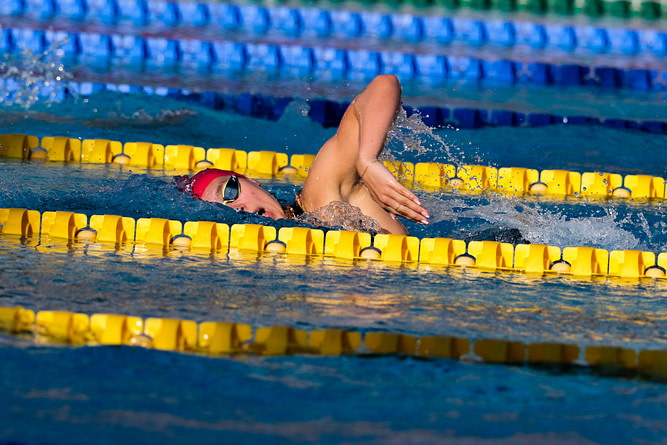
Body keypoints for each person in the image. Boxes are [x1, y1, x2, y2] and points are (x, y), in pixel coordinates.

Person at [176, 75, 430, 235]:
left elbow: (384, 85)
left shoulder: (323, 196)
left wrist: (366, 161)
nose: (239, 208)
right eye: (226, 212)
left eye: (230, 192)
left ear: (254, 182)